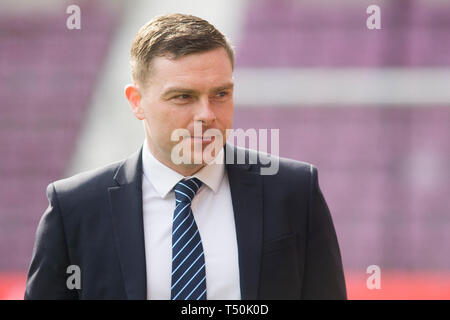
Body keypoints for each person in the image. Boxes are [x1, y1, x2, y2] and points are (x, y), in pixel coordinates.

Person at [24, 13, 346, 300]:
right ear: (136, 101)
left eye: (221, 94)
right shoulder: (74, 210)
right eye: (183, 97)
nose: (206, 114)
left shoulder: (295, 192)